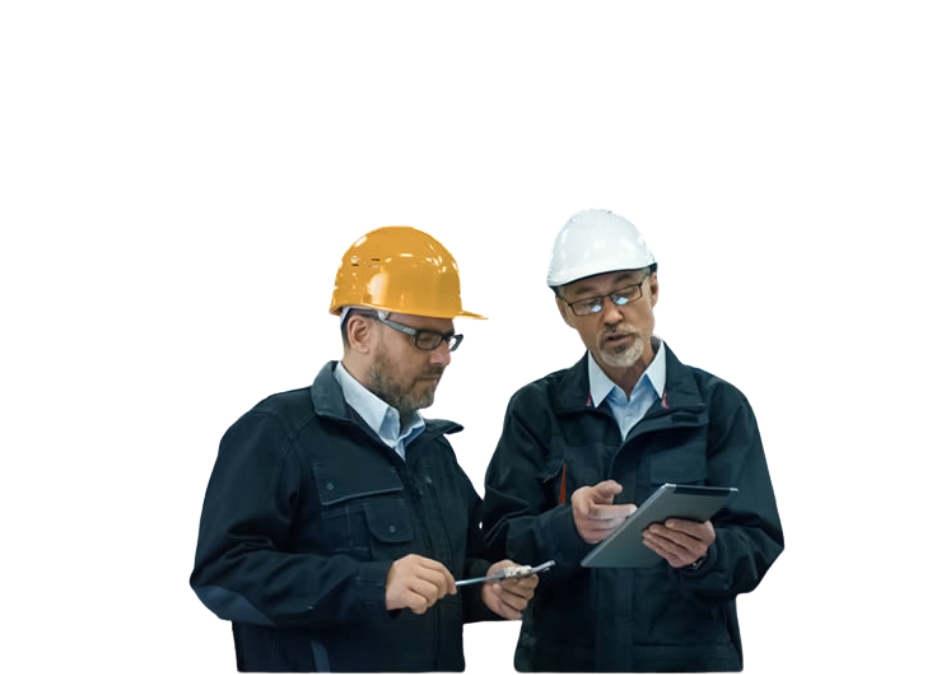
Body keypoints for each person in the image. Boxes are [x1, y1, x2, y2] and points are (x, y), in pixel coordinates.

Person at [191, 226, 539, 672]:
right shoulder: (277, 434)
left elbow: (455, 567)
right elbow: (225, 575)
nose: (443, 357)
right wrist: (373, 584)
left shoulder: (432, 451)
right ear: (360, 332)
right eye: (425, 338)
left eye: (448, 338)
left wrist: (485, 587)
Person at [482, 209, 783, 672]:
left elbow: (759, 540)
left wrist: (708, 554)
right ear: (564, 311)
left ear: (654, 289)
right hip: (565, 662)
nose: (613, 315)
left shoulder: (719, 407)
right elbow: (501, 541)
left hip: (685, 662)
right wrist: (568, 528)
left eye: (626, 291)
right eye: (588, 302)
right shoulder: (535, 411)